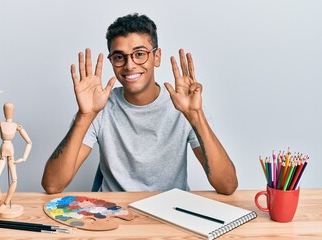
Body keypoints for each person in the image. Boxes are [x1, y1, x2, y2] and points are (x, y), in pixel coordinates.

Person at [41, 13, 238, 194]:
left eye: (140, 53)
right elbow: (52, 185)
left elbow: (227, 185)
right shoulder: (99, 107)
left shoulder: (183, 106)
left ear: (156, 57)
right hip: (114, 215)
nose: (129, 65)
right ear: (112, 61)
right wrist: (84, 116)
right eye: (119, 57)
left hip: (170, 214)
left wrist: (195, 116)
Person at [0, 91, 32, 216]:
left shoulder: (17, 126)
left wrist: (23, 157)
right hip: (3, 155)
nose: (8, 111)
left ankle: (6, 202)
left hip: (11, 156)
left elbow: (29, 142)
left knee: (14, 180)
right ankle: (0, 200)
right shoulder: (1, 124)